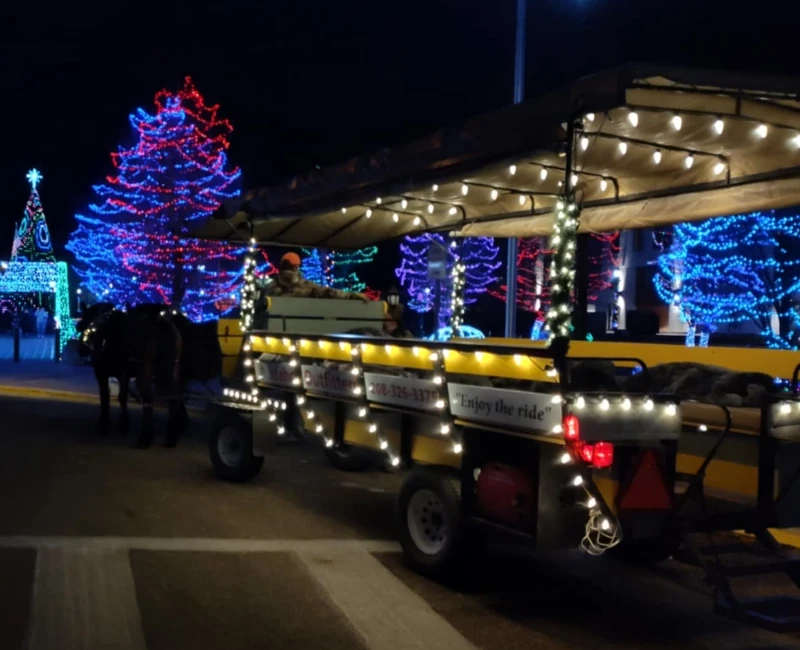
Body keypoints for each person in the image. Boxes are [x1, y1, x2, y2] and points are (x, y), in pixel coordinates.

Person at [259, 252, 370, 301]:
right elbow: (330, 293)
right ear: (297, 266)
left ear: (282, 266)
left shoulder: (269, 288)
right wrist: (352, 295)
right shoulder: (307, 287)